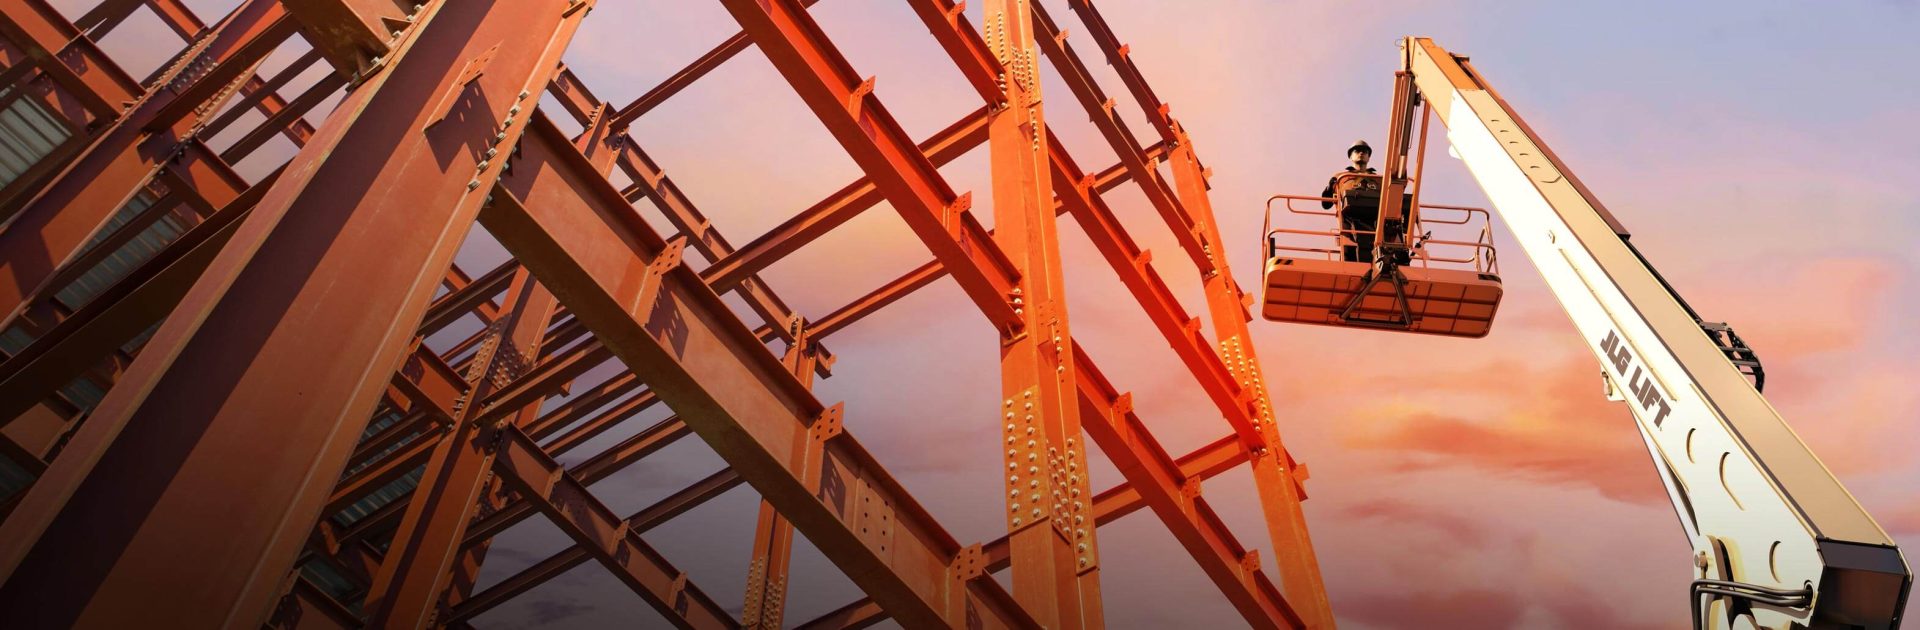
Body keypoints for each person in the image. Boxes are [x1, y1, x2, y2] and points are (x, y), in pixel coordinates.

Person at [1321, 140, 1380, 262]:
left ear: (1369, 157)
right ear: (1351, 156)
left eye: (1365, 151)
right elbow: (1325, 204)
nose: (1361, 153)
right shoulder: (1341, 177)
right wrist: (1329, 187)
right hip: (1348, 220)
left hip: (1375, 222)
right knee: (1349, 254)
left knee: (1379, 252)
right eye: (1357, 151)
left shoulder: (1379, 179)